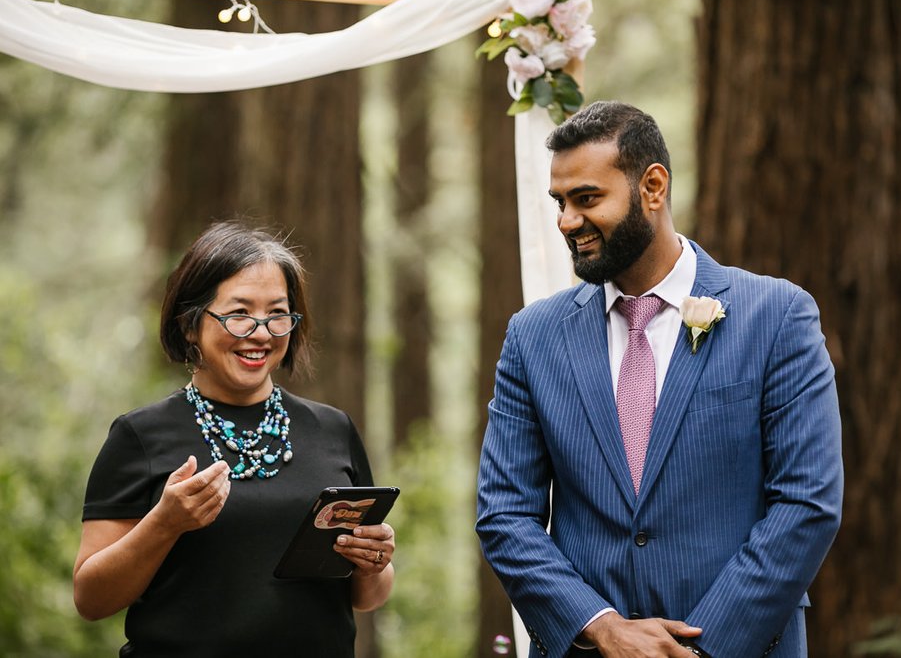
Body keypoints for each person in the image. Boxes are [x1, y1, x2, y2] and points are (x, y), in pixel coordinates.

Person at [476, 101, 843, 658]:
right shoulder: (533, 337)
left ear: (653, 187)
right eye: (560, 202)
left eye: (587, 198)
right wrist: (602, 627)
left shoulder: (777, 316)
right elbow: (505, 514)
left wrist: (698, 649)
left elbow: (806, 502)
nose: (566, 221)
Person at [73, 221, 394, 657]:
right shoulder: (140, 436)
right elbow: (91, 600)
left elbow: (367, 597)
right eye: (239, 313)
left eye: (277, 314)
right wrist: (165, 523)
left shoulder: (333, 429)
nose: (261, 333)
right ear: (190, 325)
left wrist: (372, 561)